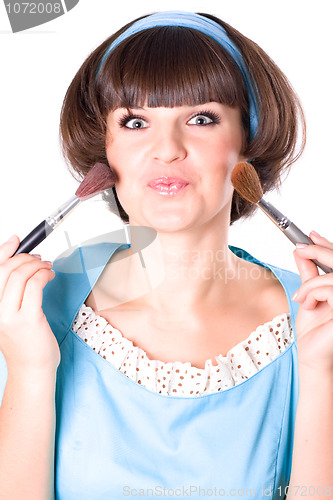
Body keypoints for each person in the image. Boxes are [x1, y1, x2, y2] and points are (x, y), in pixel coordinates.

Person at [0, 10, 332, 500]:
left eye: (201, 118)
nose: (167, 148)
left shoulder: (314, 318)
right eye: (135, 122)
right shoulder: (27, 312)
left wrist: (322, 374)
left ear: (247, 144)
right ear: (105, 153)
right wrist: (28, 372)